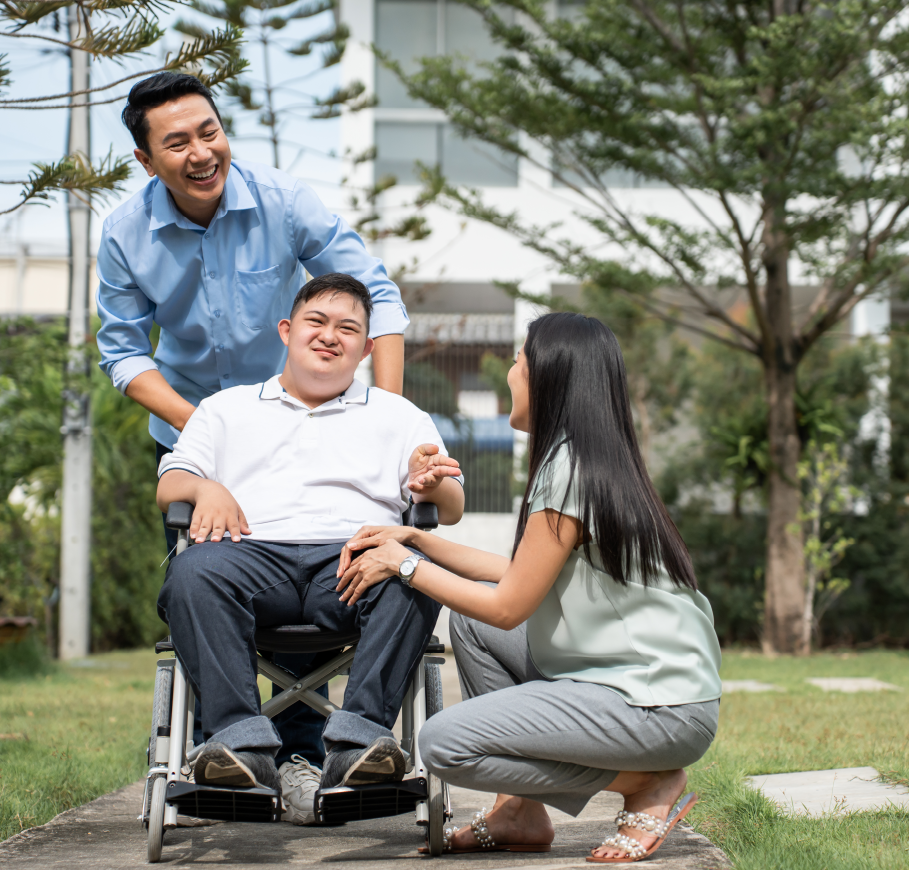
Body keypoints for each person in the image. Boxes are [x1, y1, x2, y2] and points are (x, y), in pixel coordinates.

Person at [96, 72, 412, 821]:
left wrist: (387, 415)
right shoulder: (123, 234)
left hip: (308, 427)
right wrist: (213, 427)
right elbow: (123, 355)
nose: (202, 152)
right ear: (147, 161)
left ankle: (303, 747)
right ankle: (231, 748)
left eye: (209, 131)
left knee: (316, 550)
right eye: (177, 142)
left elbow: (379, 296)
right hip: (196, 431)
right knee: (212, 578)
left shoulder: (284, 201)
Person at [335, 312, 721, 863]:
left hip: (656, 706)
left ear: (549, 375)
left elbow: (510, 606)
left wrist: (403, 568)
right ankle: (519, 809)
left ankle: (646, 781)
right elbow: (515, 573)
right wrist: (415, 542)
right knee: (469, 624)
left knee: (444, 743)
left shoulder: (566, 469)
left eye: (519, 360)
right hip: (651, 691)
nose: (511, 374)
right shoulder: (584, 458)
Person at [155, 274, 465, 803]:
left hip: (353, 560)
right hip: (249, 555)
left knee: (411, 573)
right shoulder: (226, 408)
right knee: (191, 570)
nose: (329, 336)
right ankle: (237, 747)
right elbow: (170, 484)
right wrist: (205, 488)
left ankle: (359, 743)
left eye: (348, 328)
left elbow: (450, 507)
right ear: (286, 330)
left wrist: (433, 483)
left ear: (366, 348)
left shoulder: (399, 416)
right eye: (316, 322)